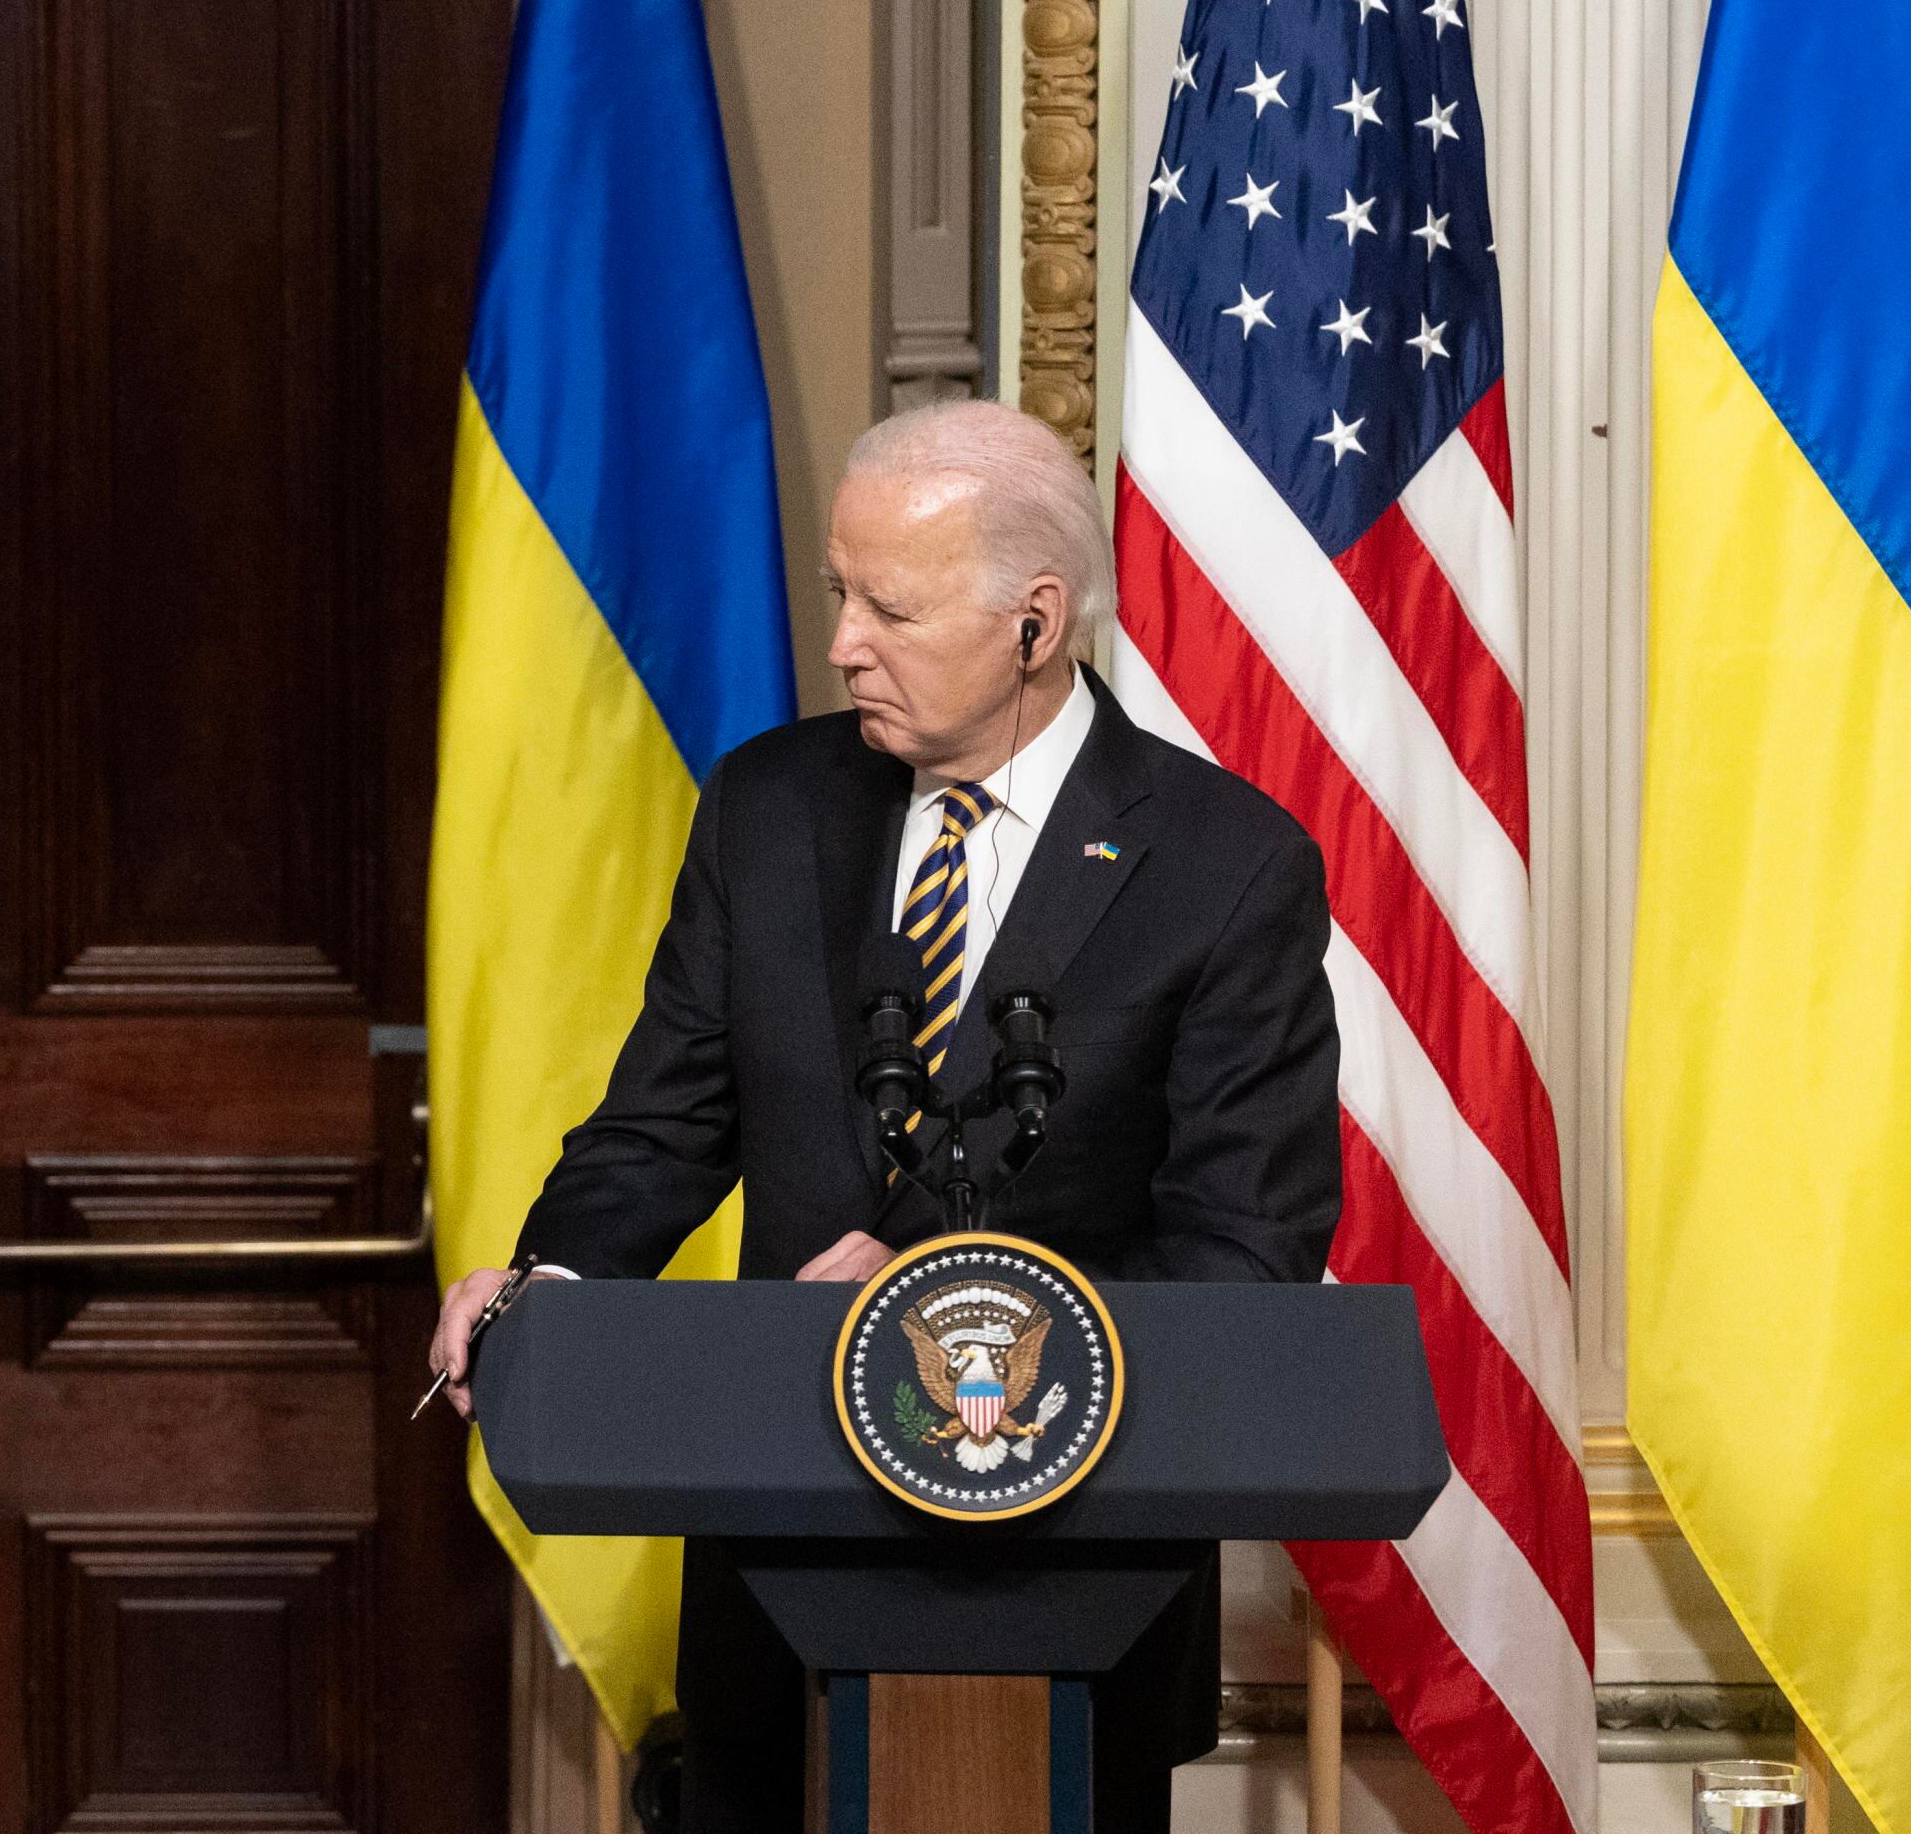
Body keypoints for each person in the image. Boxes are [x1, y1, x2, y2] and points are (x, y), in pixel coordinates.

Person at [423, 401, 1338, 1831]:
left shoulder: (1225, 866)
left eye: (890, 610)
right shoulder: (768, 806)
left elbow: (1246, 1258)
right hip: (778, 1584)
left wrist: (939, 1297)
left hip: (1073, 1592)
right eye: (840, 593)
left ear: (1035, 623)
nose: (845, 642)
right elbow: (661, 1125)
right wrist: (553, 1285)